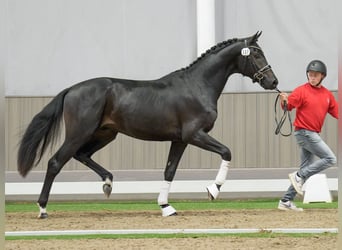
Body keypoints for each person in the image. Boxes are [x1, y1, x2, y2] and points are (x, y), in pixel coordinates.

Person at [277, 60, 338, 211]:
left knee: (306, 169)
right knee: (330, 159)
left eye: (315, 75)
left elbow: (338, 112)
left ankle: (285, 201)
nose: (312, 77)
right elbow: (288, 106)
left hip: (312, 133)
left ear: (322, 76)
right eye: (310, 74)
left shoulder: (327, 95)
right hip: (304, 132)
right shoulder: (301, 91)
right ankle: (298, 176)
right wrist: (284, 100)